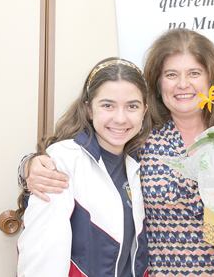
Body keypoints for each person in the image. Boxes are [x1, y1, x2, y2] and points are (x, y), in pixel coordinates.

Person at [18, 29, 214, 276]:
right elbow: (81, 159)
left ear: (212, 79)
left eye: (194, 73)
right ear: (157, 84)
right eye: (171, 75)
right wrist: (30, 167)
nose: (183, 84)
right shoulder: (137, 137)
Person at [16, 58, 151, 277]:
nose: (120, 118)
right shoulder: (62, 161)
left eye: (132, 106)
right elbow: (41, 256)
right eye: (107, 105)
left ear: (144, 111)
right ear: (89, 109)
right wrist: (27, 166)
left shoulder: (141, 160)